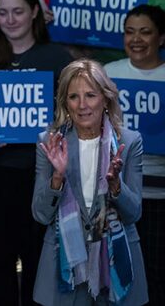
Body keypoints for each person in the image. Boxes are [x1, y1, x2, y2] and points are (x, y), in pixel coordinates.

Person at [0, 0, 72, 306]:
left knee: (37, 254)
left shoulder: (56, 58)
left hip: (38, 173)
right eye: (2, 13)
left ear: (35, 12)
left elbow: (72, 113)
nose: (10, 20)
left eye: (18, 12)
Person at [33, 59, 147, 305]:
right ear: (65, 102)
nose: (82, 105)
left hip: (116, 263)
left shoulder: (129, 142)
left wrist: (116, 186)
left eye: (90, 95)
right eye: (74, 97)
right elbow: (40, 215)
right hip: (65, 268)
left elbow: (133, 213)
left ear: (105, 99)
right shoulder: (49, 142)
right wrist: (57, 177)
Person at [104, 4, 165, 304]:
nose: (136, 39)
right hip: (116, 192)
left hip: (159, 195)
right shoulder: (108, 75)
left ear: (161, 38)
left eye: (145, 32)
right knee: (117, 274)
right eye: (130, 32)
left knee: (156, 273)